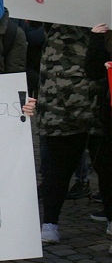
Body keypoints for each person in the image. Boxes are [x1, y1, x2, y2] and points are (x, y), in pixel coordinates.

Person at [35, 23, 107, 244]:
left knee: (105, 165)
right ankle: (50, 223)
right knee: (57, 168)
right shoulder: (54, 24)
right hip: (59, 104)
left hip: (97, 103)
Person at [85, 23, 112, 254]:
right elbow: (92, 71)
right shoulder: (104, 33)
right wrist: (95, 39)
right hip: (108, 114)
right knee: (107, 166)